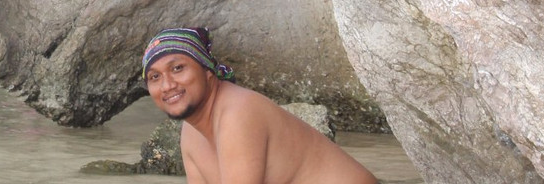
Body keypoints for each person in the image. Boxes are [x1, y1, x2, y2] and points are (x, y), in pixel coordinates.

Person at [142, 27, 378, 184]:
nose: (167, 85)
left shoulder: (237, 111)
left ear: (208, 72)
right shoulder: (190, 133)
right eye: (155, 77)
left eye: (177, 68)